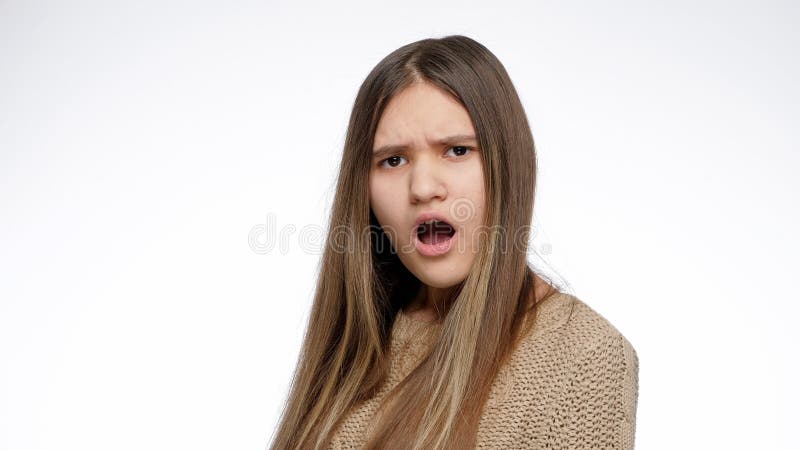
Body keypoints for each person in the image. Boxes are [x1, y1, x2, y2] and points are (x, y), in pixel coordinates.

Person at [270, 35, 639, 449]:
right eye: (393, 160)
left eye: (457, 150)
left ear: (508, 164)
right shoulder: (357, 343)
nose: (424, 187)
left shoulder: (583, 356)